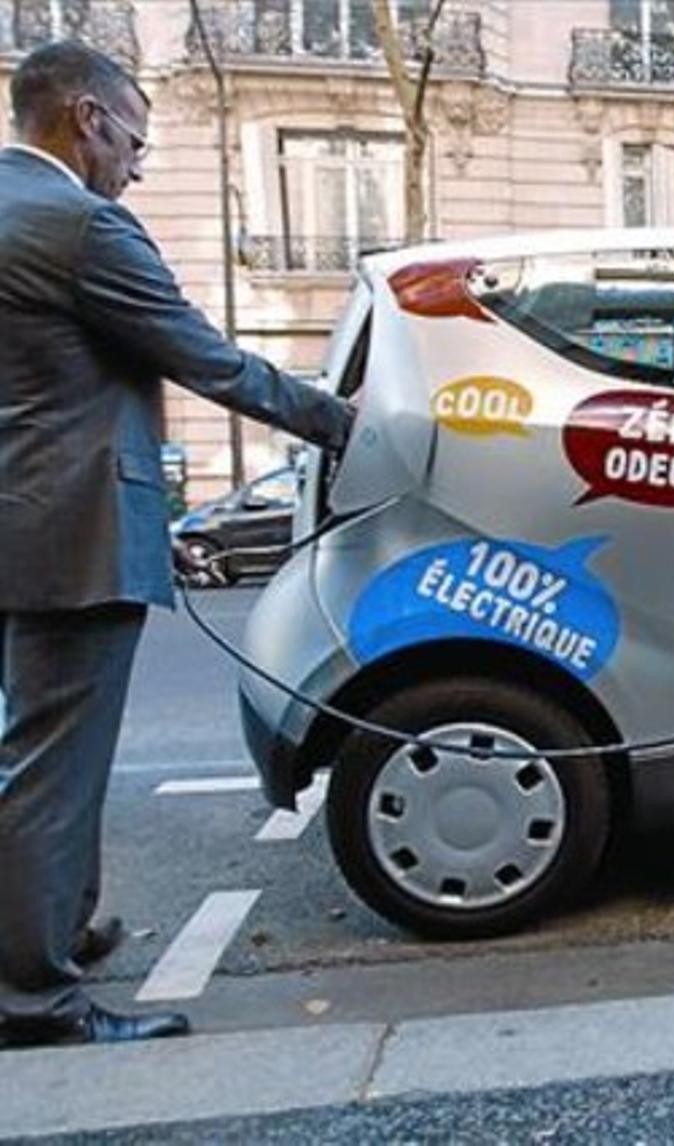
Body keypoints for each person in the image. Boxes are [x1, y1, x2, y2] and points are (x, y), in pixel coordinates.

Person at [0, 42, 354, 1049]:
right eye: (136, 141)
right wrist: (342, 423)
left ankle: (55, 930)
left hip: (21, 522)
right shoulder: (79, 224)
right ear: (86, 118)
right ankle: (34, 997)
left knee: (30, 756)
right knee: (53, 769)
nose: (139, 165)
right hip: (68, 533)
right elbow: (209, 359)